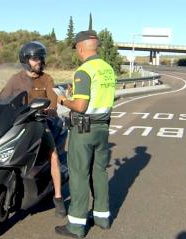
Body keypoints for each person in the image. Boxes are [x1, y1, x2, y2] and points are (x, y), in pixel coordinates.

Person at [55, 30, 117, 238]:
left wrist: (63, 99)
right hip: (103, 128)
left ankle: (76, 225)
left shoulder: (84, 71)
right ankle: (102, 217)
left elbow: (80, 106)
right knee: (99, 172)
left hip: (84, 129)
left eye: (77, 50)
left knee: (79, 175)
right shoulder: (107, 69)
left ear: (81, 48)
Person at [0, 41, 67, 218]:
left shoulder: (47, 79)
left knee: (53, 156)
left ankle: (58, 197)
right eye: (36, 58)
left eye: (41, 58)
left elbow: (53, 101)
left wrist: (49, 109)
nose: (40, 62)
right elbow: (3, 97)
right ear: (25, 59)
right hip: (20, 124)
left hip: (41, 123)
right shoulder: (16, 79)